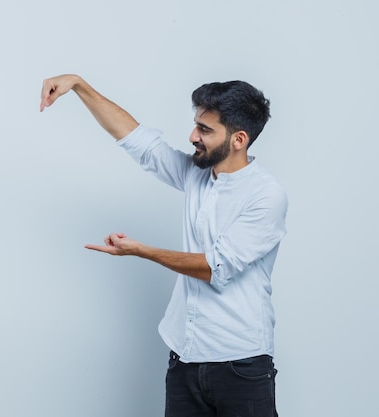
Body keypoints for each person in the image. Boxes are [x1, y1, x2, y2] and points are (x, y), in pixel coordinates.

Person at [40, 74, 287, 417]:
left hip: (240, 365)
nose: (192, 136)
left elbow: (215, 267)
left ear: (238, 139)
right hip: (184, 359)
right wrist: (79, 86)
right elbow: (137, 140)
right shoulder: (196, 174)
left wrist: (141, 251)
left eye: (205, 129)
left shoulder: (265, 196)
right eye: (195, 125)